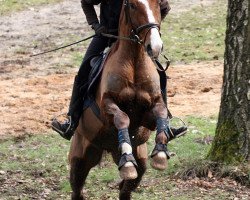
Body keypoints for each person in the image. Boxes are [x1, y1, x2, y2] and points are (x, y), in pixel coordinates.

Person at [52, 0, 186, 140]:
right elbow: (86, 3)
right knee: (84, 70)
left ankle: (166, 123)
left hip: (135, 40)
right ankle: (72, 122)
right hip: (106, 36)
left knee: (160, 73)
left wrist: (150, 29)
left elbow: (164, 7)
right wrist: (96, 25)